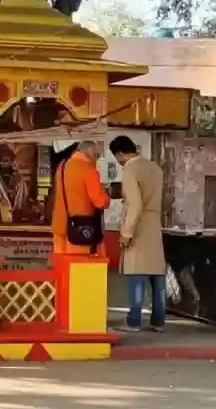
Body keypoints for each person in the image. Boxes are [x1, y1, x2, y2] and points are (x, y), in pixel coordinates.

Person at [109, 135, 166, 332]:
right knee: (157, 275)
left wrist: (127, 232)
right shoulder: (155, 168)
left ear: (120, 154)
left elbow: (135, 204)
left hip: (139, 226)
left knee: (136, 274)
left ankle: (134, 321)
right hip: (154, 223)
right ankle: (159, 321)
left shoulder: (130, 169)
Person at [50, 141, 109, 255]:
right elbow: (100, 202)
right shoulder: (88, 169)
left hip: (60, 227)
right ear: (90, 152)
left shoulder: (62, 166)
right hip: (81, 230)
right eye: (97, 155)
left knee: (63, 268)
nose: (97, 159)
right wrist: (107, 197)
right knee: (81, 269)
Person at [0, 144, 31, 224]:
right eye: (0, 159)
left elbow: (24, 198)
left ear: (12, 160)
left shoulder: (19, 178)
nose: (2, 162)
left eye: (6, 159)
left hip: (16, 221)